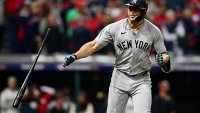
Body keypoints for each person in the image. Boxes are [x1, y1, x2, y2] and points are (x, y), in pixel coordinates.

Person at [63, 0, 171, 113]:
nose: (132, 12)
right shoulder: (115, 27)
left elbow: (165, 60)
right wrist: (75, 56)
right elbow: (93, 45)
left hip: (141, 79)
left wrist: (165, 60)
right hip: (120, 77)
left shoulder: (154, 31)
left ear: (144, 11)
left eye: (136, 9)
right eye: (130, 8)